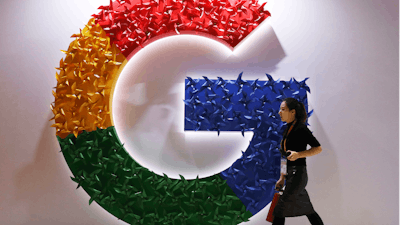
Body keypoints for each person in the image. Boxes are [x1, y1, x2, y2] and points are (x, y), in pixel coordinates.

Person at [272, 97, 324, 225]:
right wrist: (282, 177)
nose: (279, 112)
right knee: (308, 210)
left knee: (279, 209)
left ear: (293, 112)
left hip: (298, 175)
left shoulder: (301, 128)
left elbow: (318, 148)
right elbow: (284, 155)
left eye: (283, 109)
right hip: (290, 175)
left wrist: (299, 154)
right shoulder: (287, 130)